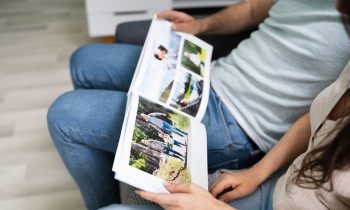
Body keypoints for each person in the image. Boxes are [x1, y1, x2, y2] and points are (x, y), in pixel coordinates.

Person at [47, 0, 350, 209]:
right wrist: (202, 25)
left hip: (239, 125)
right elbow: (256, 8)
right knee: (84, 62)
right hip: (209, 78)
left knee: (66, 114)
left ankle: (107, 198)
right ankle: (119, 178)